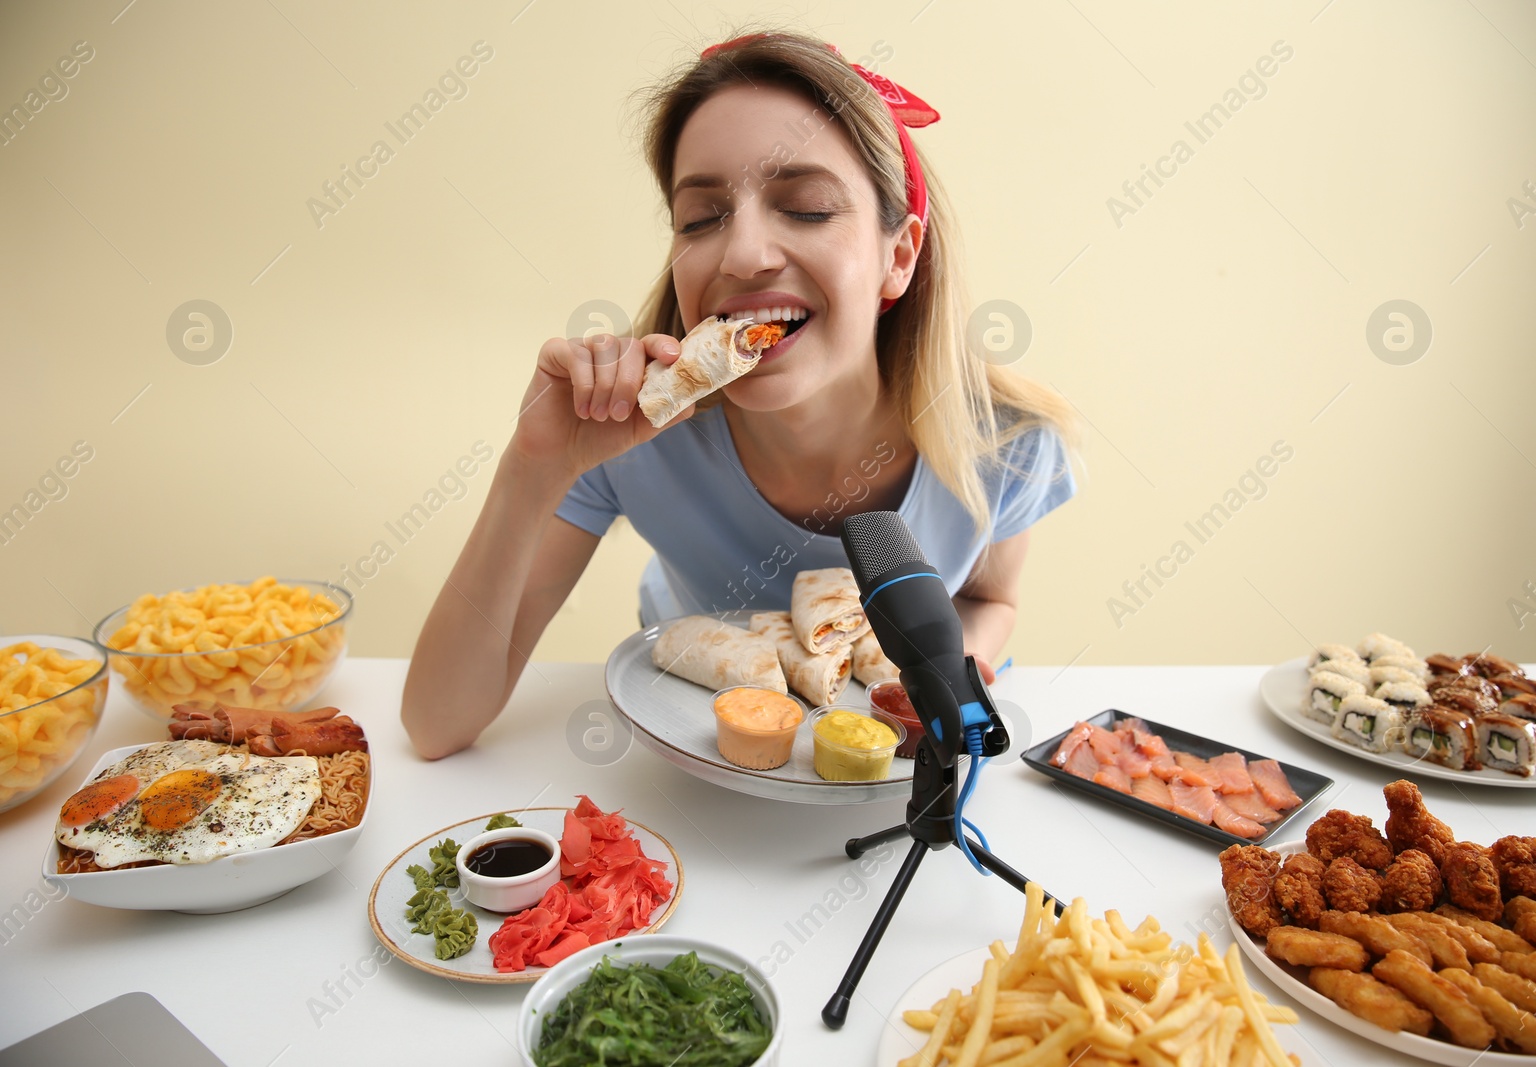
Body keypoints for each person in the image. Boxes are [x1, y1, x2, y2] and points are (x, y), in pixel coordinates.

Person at [402, 31, 1075, 759]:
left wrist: (954, 669)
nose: (744, 253)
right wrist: (533, 467)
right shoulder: (624, 435)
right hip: (689, 769)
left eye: (808, 207)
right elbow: (439, 724)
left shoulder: (1005, 445)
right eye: (701, 218)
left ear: (899, 256)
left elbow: (988, 599)